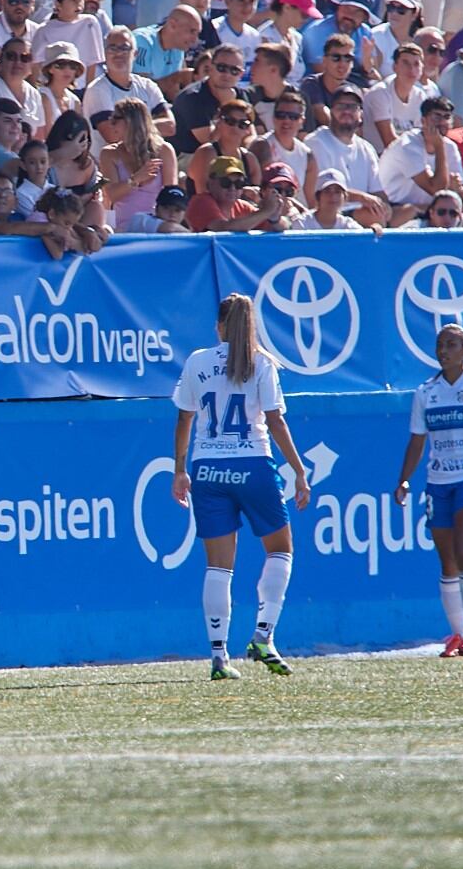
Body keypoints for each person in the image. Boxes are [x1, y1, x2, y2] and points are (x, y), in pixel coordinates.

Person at [170, 292, 310, 681]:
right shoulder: (262, 363)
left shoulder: (197, 361)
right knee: (280, 550)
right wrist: (298, 470)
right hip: (253, 464)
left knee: (218, 566)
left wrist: (180, 470)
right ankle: (263, 635)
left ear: (219, 326)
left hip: (209, 467)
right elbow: (275, 421)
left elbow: (184, 420)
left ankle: (219, 657)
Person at [393, 324, 463, 659]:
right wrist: (403, 479)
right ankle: (456, 634)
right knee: (447, 560)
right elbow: (417, 440)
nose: (444, 351)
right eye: (440, 344)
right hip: (438, 481)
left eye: (452, 344)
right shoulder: (426, 392)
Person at [305, 84, 391, 225]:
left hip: (364, 212)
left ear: (361, 114)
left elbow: (378, 191)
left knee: (405, 212)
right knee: (375, 217)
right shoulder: (316, 142)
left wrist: (385, 206)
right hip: (330, 214)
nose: (346, 111)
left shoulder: (366, 148)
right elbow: (323, 190)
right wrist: (362, 198)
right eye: (341, 106)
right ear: (331, 111)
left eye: (352, 107)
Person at [101, 97, 177, 233]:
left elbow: (171, 196)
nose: (111, 124)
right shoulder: (109, 154)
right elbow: (111, 195)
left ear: (131, 122)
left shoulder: (164, 150)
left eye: (115, 119)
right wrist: (135, 179)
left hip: (156, 224)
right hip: (125, 226)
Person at [378, 95, 463, 215]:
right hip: (397, 208)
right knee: (412, 211)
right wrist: (439, 147)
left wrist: (458, 188)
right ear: (423, 121)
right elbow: (436, 189)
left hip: (434, 208)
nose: (442, 122)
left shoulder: (450, 146)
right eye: (437, 117)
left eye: (447, 117)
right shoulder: (407, 146)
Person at [171, 43, 249, 157]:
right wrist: (226, 105)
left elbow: (250, 132)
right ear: (211, 68)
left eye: (234, 70)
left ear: (241, 74)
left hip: (224, 153)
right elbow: (211, 142)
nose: (227, 74)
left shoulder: (239, 94)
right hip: (187, 156)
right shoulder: (193, 97)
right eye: (222, 68)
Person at [362, 43, 432, 153]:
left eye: (416, 64)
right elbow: (389, 142)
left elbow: (421, 137)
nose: (411, 69)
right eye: (405, 63)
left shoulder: (420, 96)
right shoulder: (380, 93)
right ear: (395, 67)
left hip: (407, 155)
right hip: (378, 155)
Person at [185, 155, 276, 232]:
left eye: (238, 183)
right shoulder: (201, 202)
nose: (232, 188)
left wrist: (275, 217)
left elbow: (276, 227)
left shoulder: (241, 206)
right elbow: (223, 228)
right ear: (211, 183)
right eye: (226, 182)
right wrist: (266, 211)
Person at [133, 5, 203, 102]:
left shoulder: (179, 46)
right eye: (192, 31)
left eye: (197, 34)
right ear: (172, 25)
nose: (195, 40)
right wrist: (177, 78)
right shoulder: (142, 41)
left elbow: (173, 93)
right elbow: (141, 91)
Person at [124, 183, 191, 233]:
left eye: (177, 210)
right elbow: (170, 228)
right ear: (156, 209)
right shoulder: (139, 219)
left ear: (184, 214)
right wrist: (190, 234)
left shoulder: (184, 230)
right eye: (166, 208)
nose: (172, 214)